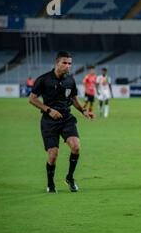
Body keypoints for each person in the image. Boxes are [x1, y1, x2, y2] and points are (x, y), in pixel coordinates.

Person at [29, 51, 95, 193]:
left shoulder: (70, 80)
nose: (67, 66)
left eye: (69, 63)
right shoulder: (44, 79)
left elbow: (73, 98)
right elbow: (32, 99)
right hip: (49, 121)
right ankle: (50, 183)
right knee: (53, 155)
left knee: (76, 147)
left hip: (66, 119)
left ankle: (70, 178)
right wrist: (49, 110)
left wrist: (83, 111)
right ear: (57, 63)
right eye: (64, 63)